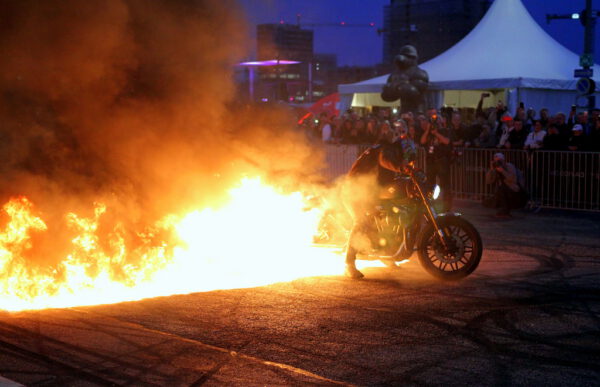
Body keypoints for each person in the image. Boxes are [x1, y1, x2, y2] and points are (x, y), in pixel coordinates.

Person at [343, 127, 416, 279]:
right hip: (355, 190)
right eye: (396, 135)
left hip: (370, 190)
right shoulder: (384, 150)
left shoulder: (387, 149)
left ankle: (386, 256)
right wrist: (404, 169)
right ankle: (348, 263)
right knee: (362, 221)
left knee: (388, 214)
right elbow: (385, 161)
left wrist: (410, 173)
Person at [420, 112, 454, 212]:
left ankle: (447, 207)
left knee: (445, 185)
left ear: (441, 121)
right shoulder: (429, 132)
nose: (435, 122)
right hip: (431, 161)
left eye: (437, 120)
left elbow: (447, 141)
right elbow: (422, 141)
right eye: (433, 121)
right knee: (430, 184)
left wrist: (436, 134)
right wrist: (427, 130)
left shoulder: (445, 130)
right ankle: (430, 205)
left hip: (442, 161)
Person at [485, 153, 524, 218]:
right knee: (487, 202)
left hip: (514, 189)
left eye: (499, 160)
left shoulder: (509, 166)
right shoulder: (495, 168)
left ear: (503, 160)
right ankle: (503, 210)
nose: (498, 162)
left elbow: (513, 179)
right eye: (496, 161)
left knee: (502, 190)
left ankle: (505, 211)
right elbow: (488, 181)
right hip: (502, 189)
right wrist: (491, 169)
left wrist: (503, 171)